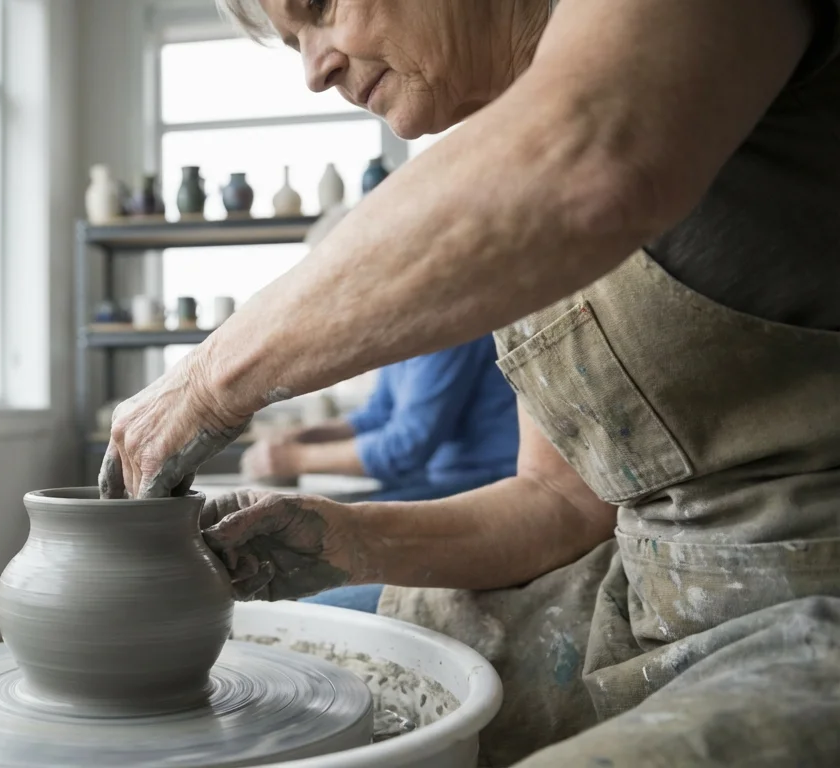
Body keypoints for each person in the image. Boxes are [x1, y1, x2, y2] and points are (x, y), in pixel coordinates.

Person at [98, 0, 840, 764]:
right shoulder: (511, 190)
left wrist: (207, 383)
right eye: (294, 43)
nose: (314, 69)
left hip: (810, 605)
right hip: (641, 594)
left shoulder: (580, 134)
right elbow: (557, 505)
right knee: (298, 648)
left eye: (319, 8)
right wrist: (339, 538)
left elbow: (586, 156)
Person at [240, 337, 517, 499]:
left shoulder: (449, 328)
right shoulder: (403, 334)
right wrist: (307, 436)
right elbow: (378, 414)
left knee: (317, 549)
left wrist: (293, 460)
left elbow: (407, 448)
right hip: (441, 477)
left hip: (491, 483)